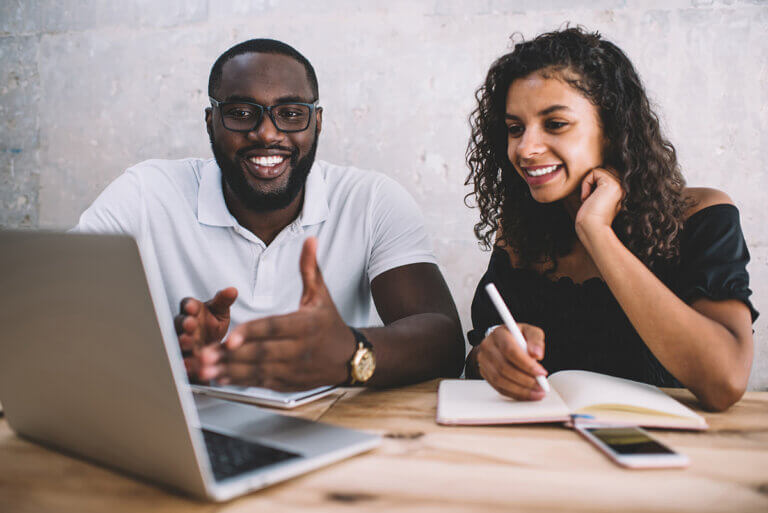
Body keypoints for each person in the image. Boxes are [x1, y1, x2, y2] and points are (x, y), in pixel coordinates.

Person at [75, 39, 464, 390]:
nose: (266, 133)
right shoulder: (146, 193)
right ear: (210, 122)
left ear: (317, 122)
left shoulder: (371, 200)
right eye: (242, 113)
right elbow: (56, 306)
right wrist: (169, 351)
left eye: (291, 113)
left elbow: (444, 342)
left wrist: (349, 354)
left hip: (331, 431)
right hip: (188, 433)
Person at [463, 27, 757, 411]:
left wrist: (596, 231)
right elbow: (477, 360)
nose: (525, 148)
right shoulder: (520, 230)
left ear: (613, 128)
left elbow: (724, 381)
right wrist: (490, 357)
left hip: (667, 451)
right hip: (542, 451)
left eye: (555, 124)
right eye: (515, 128)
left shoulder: (702, 217)